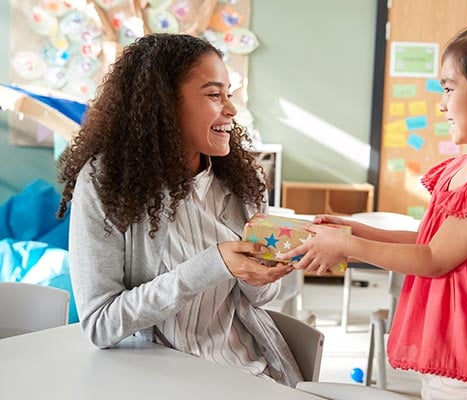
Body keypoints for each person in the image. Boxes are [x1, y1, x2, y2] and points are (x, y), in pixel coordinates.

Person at [282, 14, 467, 399]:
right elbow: (428, 240)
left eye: (449, 89)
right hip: (451, 348)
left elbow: (434, 258)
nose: (441, 105)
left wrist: (347, 247)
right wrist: (353, 230)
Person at [56, 33, 303, 387]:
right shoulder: (106, 183)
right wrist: (214, 264)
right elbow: (100, 324)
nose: (230, 109)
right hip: (151, 382)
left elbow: (259, 301)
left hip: (244, 374)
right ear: (164, 104)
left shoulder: (244, 183)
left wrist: (258, 275)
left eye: (228, 94)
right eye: (214, 94)